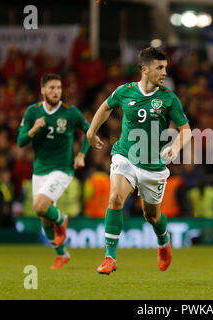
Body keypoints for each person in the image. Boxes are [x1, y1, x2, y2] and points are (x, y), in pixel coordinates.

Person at [86, 47, 191, 275]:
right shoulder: (125, 92)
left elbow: (186, 131)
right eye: (159, 68)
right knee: (114, 198)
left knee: (151, 216)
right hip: (125, 156)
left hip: (153, 166)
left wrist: (174, 148)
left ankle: (163, 241)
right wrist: (91, 132)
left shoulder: (168, 99)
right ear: (145, 69)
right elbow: (105, 107)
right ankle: (109, 257)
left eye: (165, 68)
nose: (164, 72)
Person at [17, 73, 90, 269]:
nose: (56, 91)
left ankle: (62, 218)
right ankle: (61, 254)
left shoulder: (70, 112)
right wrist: (34, 129)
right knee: (43, 217)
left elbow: (88, 130)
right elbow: (21, 141)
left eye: (58, 88)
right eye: (51, 88)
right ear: (42, 90)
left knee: (40, 206)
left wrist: (81, 154)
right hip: (40, 169)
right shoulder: (33, 112)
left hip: (62, 168)